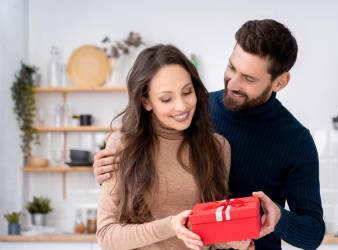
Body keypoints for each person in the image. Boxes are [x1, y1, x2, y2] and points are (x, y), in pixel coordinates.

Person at [94, 19, 325, 250]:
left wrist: (279, 218)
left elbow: (313, 234)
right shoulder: (193, 110)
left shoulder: (295, 141)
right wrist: (113, 170)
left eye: (248, 78)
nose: (233, 83)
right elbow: (149, 178)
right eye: (232, 67)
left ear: (280, 82)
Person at [96, 44, 251, 250]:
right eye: (166, 99)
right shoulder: (122, 145)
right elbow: (107, 236)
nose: (182, 106)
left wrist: (236, 241)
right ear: (146, 102)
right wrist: (171, 225)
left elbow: (210, 231)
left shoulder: (217, 146)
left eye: (187, 92)